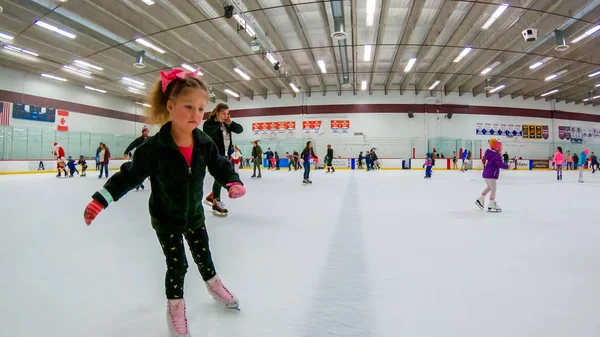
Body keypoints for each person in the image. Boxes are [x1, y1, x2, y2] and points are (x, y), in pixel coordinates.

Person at [82, 67, 246, 337]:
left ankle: (214, 285)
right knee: (178, 265)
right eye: (188, 106)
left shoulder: (204, 143)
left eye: (201, 108)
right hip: (166, 219)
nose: (196, 114)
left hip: (194, 215)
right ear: (170, 106)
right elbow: (129, 176)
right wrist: (101, 199)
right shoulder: (154, 148)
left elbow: (220, 164)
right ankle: (175, 309)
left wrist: (233, 182)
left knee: (204, 254)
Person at [202, 103, 243, 216]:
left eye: (227, 114)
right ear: (217, 112)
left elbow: (240, 130)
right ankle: (216, 202)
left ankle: (212, 197)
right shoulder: (209, 124)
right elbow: (211, 136)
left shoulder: (227, 124)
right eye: (223, 113)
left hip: (225, 155)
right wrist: (219, 123)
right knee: (220, 176)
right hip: (214, 155)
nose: (225, 116)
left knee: (219, 177)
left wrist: (230, 123)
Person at [476, 139, 508, 212]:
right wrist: (508, 166)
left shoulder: (490, 153)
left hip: (486, 173)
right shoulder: (496, 155)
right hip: (491, 174)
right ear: (497, 147)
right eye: (500, 146)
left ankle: (480, 199)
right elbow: (500, 164)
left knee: (489, 187)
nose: (501, 147)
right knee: (493, 189)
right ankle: (491, 203)